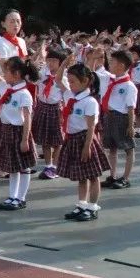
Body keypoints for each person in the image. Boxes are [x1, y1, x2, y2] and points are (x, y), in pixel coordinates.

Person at [59, 63, 110, 221]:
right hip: (73, 139)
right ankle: (81, 204)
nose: (70, 84)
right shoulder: (71, 96)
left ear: (86, 81)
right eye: (70, 81)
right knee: (81, 176)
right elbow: (58, 80)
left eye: (73, 81)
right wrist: (64, 62)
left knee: (93, 176)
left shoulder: (90, 102)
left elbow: (91, 127)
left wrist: (87, 147)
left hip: (85, 140)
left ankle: (92, 206)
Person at [0, 55, 39, 211]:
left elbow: (27, 118)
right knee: (12, 167)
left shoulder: (24, 94)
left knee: (23, 167)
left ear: (17, 74)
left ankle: (21, 198)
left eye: (6, 72)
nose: (4, 74)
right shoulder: (7, 88)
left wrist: (25, 139)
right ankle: (12, 196)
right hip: (7, 130)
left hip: (19, 131)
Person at [90, 48, 137, 189]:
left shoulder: (129, 85)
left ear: (121, 65)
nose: (109, 65)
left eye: (112, 62)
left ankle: (126, 178)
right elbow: (90, 74)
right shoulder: (109, 79)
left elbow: (130, 107)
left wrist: (131, 125)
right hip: (108, 116)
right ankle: (112, 175)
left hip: (121, 117)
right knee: (112, 148)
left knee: (129, 148)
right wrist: (93, 58)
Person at [33, 48, 68, 180]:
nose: (51, 63)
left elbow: (67, 96)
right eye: (49, 60)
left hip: (56, 109)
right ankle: (49, 165)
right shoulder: (42, 74)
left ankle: (56, 166)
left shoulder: (63, 77)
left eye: (54, 60)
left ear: (60, 63)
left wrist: (63, 114)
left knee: (58, 140)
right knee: (45, 140)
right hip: (43, 106)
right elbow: (32, 79)